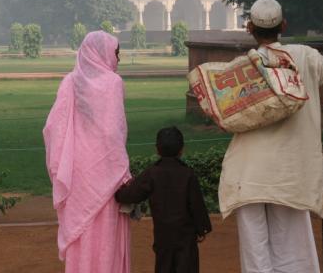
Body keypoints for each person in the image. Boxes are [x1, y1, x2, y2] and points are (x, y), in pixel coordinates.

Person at [219, 0, 323, 273]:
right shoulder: (306, 57)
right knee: (294, 255)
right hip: (289, 173)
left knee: (256, 259)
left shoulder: (241, 68)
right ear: (283, 25)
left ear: (249, 28)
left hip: (247, 174)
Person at [43, 30, 131, 273]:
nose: (118, 58)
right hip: (107, 171)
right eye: (116, 53)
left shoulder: (70, 81)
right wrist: (122, 171)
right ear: (101, 53)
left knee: (82, 230)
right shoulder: (113, 83)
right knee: (106, 232)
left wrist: (60, 162)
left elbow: (54, 128)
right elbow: (112, 132)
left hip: (76, 170)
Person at [115, 126, 212, 273]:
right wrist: (202, 228)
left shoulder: (152, 173)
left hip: (163, 238)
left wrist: (119, 191)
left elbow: (131, 195)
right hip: (186, 237)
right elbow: (197, 205)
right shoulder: (188, 174)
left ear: (157, 149)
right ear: (182, 149)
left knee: (164, 267)